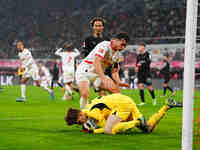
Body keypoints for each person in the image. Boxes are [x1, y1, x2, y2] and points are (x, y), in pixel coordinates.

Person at [65, 93, 182, 134]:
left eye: (79, 122)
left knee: (108, 130)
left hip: (122, 105)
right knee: (148, 129)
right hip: (124, 101)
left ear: (80, 115)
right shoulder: (89, 107)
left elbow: (105, 126)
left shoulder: (91, 113)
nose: (81, 124)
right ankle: (167, 106)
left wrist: (94, 130)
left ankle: (136, 122)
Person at [75, 32, 129, 109]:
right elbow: (96, 61)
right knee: (85, 93)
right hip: (84, 71)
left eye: (125, 46)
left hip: (98, 75)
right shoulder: (105, 45)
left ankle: (118, 114)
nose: (123, 48)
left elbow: (114, 71)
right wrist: (103, 77)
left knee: (116, 91)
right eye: (122, 44)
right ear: (116, 40)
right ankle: (84, 115)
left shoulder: (117, 55)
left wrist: (118, 82)